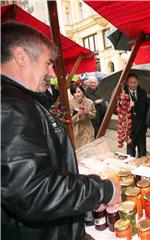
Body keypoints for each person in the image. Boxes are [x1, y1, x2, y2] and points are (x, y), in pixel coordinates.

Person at [1, 22, 120, 240]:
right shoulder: (10, 106)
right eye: (47, 63)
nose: (52, 72)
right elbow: (33, 191)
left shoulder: (20, 101)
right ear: (20, 56)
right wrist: (104, 190)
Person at [124, 73, 149, 157]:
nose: (133, 84)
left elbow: (146, 109)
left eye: (134, 82)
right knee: (130, 154)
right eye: (131, 83)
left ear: (138, 82)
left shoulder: (143, 92)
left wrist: (146, 124)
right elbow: (117, 111)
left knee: (142, 153)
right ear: (127, 83)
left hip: (141, 128)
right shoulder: (123, 94)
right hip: (130, 130)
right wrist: (128, 107)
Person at [70, 83, 97, 149]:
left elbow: (94, 115)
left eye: (79, 92)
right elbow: (70, 120)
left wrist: (88, 113)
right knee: (80, 153)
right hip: (77, 131)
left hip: (88, 130)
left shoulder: (89, 102)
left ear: (83, 92)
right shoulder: (70, 103)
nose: (77, 94)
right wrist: (78, 115)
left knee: (90, 151)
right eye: (75, 92)